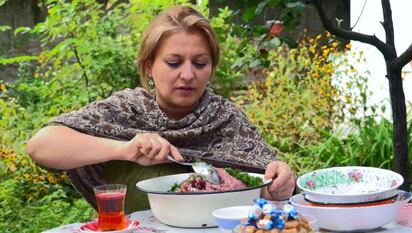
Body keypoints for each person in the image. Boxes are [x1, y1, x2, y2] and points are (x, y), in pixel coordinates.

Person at [26, 5, 295, 214]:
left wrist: (277, 186)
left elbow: (264, 187)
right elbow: (41, 146)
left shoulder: (226, 118)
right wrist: (125, 149)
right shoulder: (126, 110)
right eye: (174, 62)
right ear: (148, 67)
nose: (188, 75)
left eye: (200, 63)